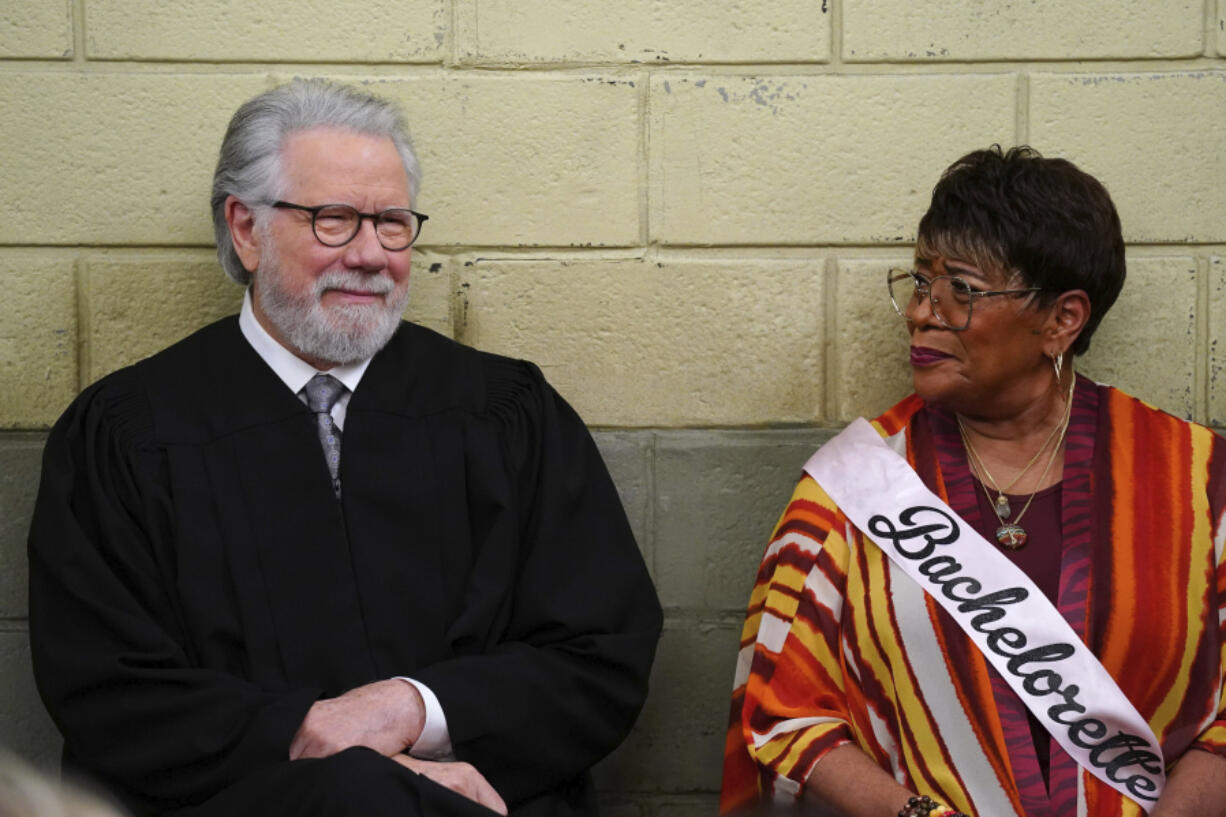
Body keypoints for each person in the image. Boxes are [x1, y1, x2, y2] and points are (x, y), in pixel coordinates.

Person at [28, 79, 662, 817]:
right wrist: (324, 745)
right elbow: (109, 690)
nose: (370, 254)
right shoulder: (127, 436)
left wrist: (410, 708)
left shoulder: (504, 414)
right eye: (333, 220)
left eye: (392, 222)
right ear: (245, 227)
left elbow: (598, 654)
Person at [721, 146, 1226, 816]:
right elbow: (780, 711)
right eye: (922, 282)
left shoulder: (1194, 479)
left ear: (1061, 320)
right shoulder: (852, 489)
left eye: (962, 288)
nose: (923, 311)